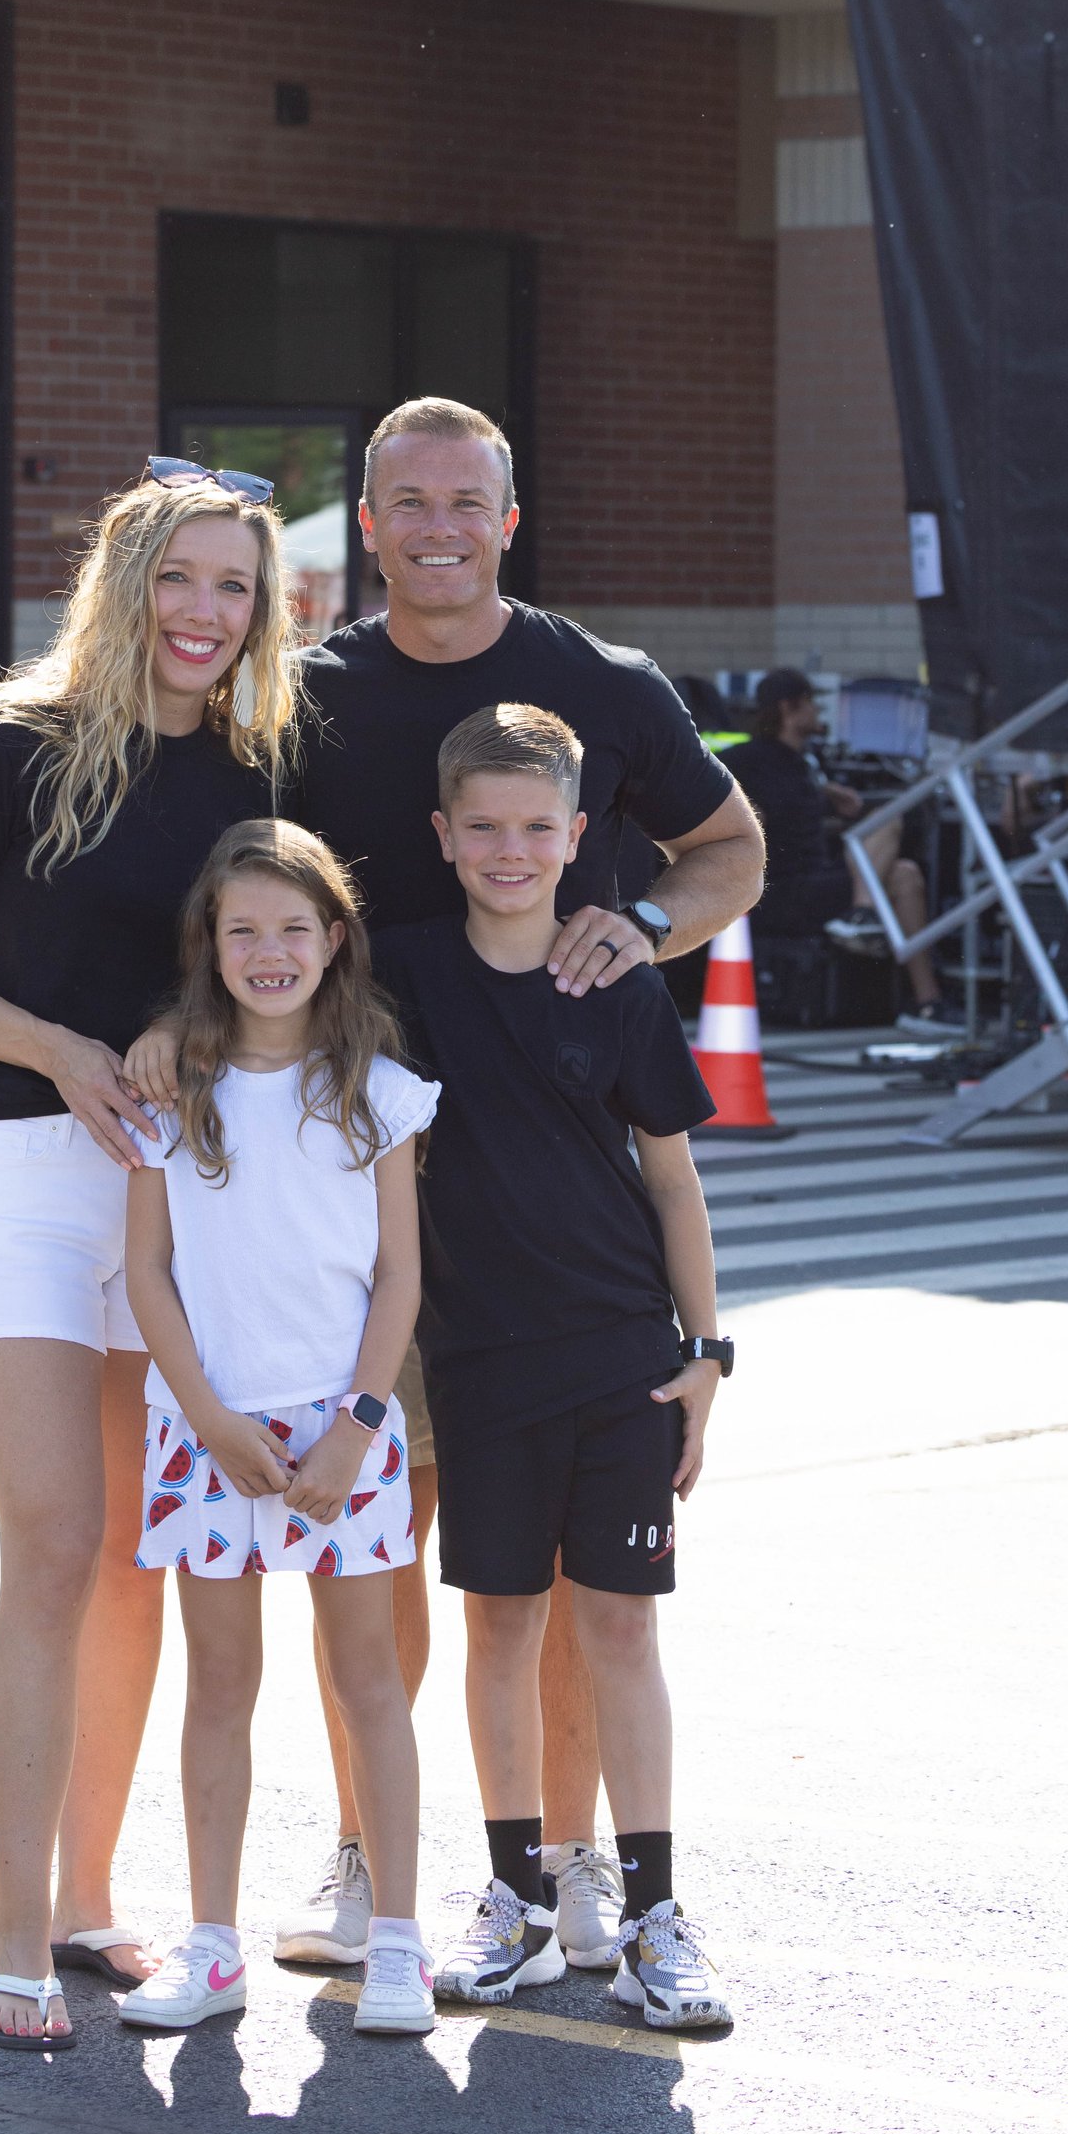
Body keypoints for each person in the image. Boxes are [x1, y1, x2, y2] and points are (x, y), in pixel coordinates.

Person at [247, 393, 764, 1981]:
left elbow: (729, 847)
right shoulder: (307, 697)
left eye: (466, 500)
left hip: (557, 1213)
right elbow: (238, 887)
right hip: (363, 1199)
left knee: (556, 1575)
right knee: (375, 1547)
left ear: (508, 518)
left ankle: (576, 1864)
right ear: (371, 518)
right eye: (407, 501)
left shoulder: (598, 684)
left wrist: (648, 928)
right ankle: (366, 1847)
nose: (438, 526)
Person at [0, 461, 301, 2054]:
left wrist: (191, 1031)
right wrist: (59, 1052)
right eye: (181, 580)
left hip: (184, 1184)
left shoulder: (261, 768)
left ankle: (85, 1904)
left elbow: (271, 971)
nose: (205, 614)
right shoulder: (14, 747)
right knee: (51, 1549)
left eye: (234, 587)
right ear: (126, 587)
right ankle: (6, 1932)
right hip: (30, 1170)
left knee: (136, 1561)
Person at [372, 702, 735, 2032]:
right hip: (478, 1368)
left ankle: (650, 1916)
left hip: (624, 1362)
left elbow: (676, 1183)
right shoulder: (402, 975)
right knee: (501, 1629)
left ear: (582, 838)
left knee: (624, 1630)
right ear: (444, 837)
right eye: (486, 828)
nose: (511, 850)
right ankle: (518, 1899)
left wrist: (708, 1355)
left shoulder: (620, 979)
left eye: (538, 827)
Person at [114, 820, 440, 2040]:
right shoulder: (168, 1092)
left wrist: (358, 1424)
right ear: (209, 941)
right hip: (202, 1427)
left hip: (342, 1426)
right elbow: (148, 1272)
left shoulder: (377, 1090)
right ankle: (210, 1943)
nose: (268, 950)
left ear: (334, 938)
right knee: (219, 1687)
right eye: (242, 928)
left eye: (293, 926)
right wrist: (203, 1413)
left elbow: (399, 1276)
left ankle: (398, 1940)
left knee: (370, 1686)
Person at [730, 666, 940, 1010]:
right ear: (789, 708)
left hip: (816, 881)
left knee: (905, 872)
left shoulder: (805, 763)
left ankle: (928, 1002)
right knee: (888, 823)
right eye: (810, 703)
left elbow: (794, 788)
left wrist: (826, 792)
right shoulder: (747, 760)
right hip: (783, 891)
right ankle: (861, 914)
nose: (817, 711)